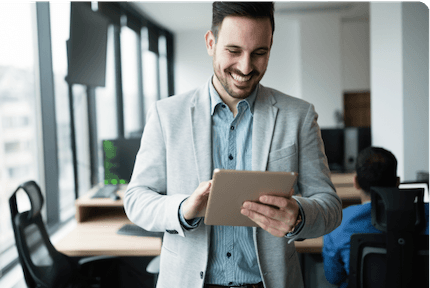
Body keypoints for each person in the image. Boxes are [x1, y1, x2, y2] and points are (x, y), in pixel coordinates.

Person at [124, 2, 342, 288]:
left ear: (270, 46)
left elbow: (330, 206)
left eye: (259, 53)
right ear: (211, 43)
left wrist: (299, 216)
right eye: (234, 51)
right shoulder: (167, 115)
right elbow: (136, 198)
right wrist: (183, 208)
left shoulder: (297, 115)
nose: (246, 66)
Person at [322, 146, 430, 288]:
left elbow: (333, 277)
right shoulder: (426, 213)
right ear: (397, 182)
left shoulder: (337, 222)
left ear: (356, 182)